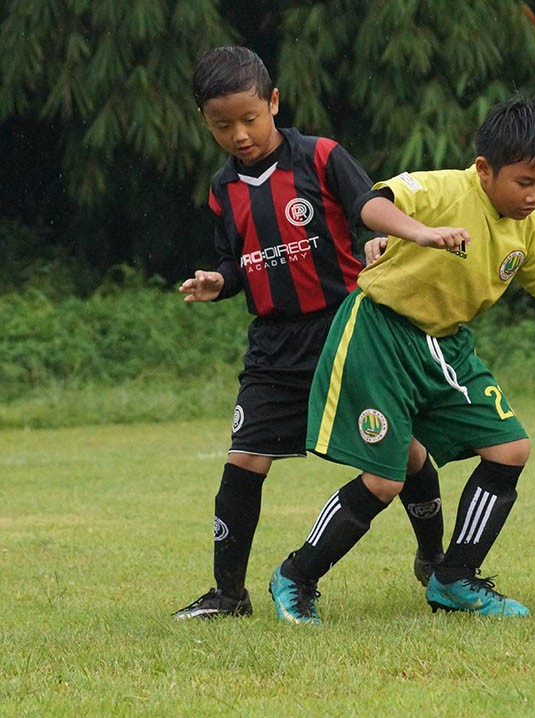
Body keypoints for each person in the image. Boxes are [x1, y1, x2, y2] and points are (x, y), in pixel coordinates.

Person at [267, 97, 535, 623]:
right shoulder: (448, 189)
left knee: (510, 448)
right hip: (379, 334)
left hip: (445, 345)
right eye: (524, 182)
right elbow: (372, 203)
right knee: (384, 479)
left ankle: (455, 578)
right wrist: (417, 232)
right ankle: (295, 576)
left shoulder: (531, 229)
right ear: (485, 170)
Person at [173, 46, 445, 620]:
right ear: (205, 120)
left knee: (406, 449)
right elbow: (234, 264)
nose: (240, 134)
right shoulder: (223, 190)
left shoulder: (321, 157)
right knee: (243, 461)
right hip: (273, 348)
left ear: (273, 102)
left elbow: (367, 205)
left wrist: (413, 232)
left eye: (250, 118)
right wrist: (215, 283)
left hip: (346, 333)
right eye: (223, 125)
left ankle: (434, 560)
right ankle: (229, 595)